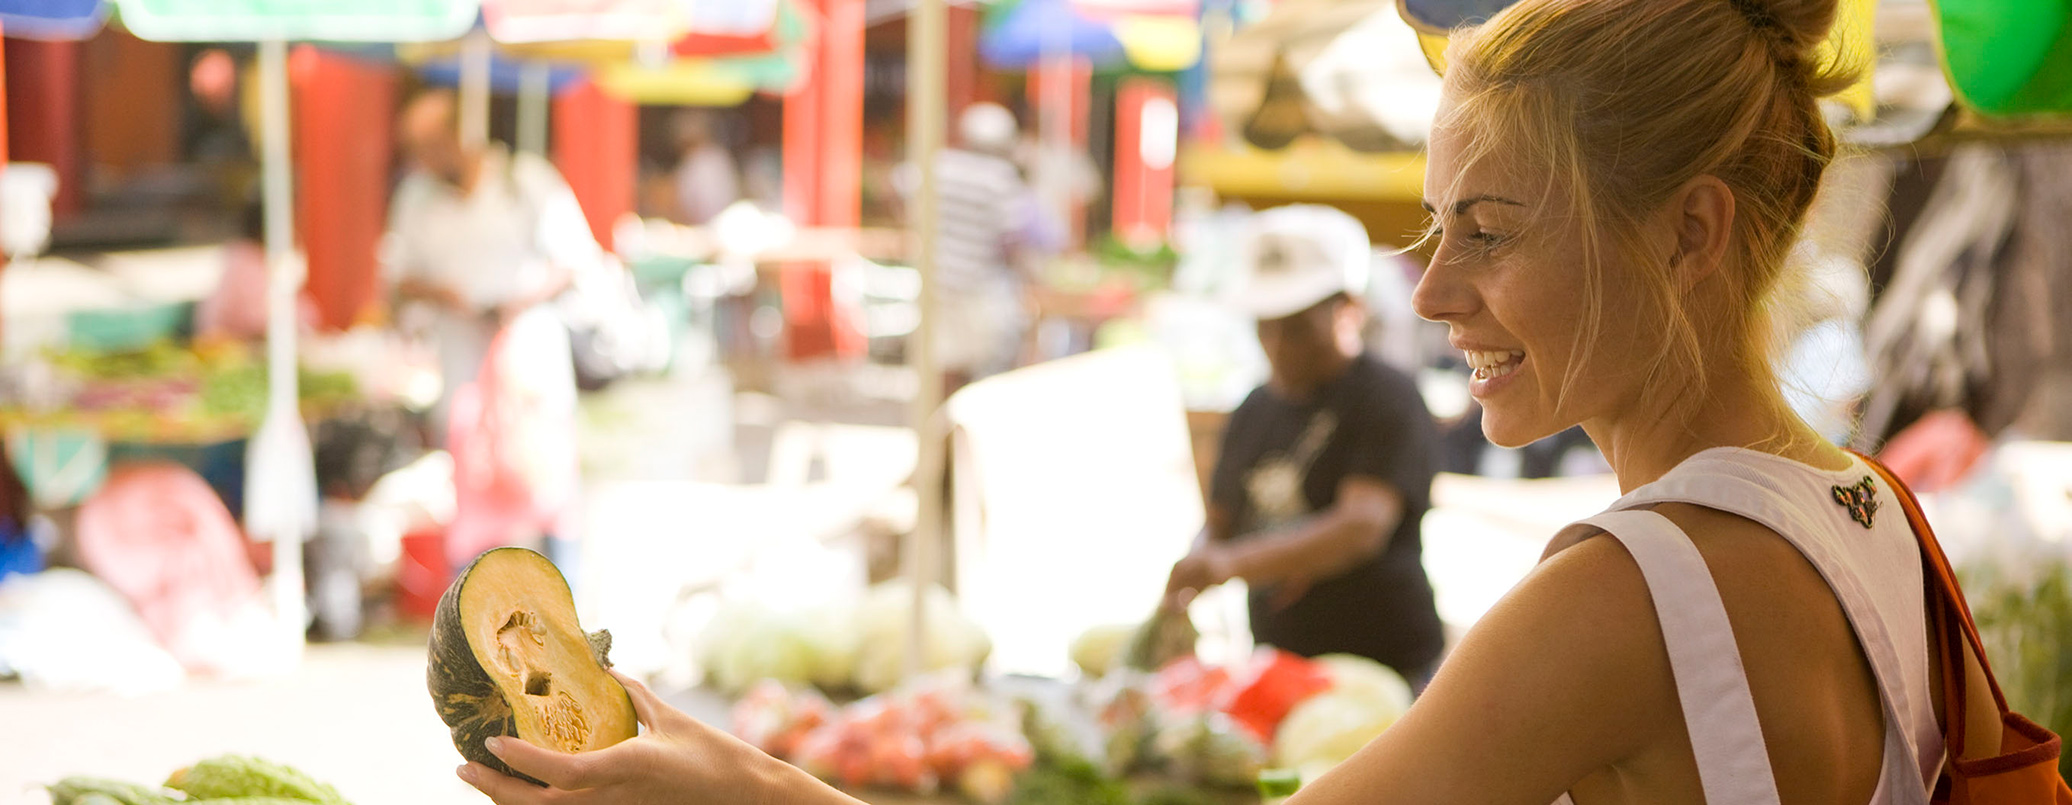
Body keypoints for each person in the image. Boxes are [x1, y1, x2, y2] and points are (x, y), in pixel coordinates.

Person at [458, 0, 2006, 801]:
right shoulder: (1857, 508)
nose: (1432, 292)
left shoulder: (1623, 593)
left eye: (1491, 228)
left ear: (1689, 226)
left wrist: (748, 791)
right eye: (1429, 227)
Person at [1161, 204, 1444, 690]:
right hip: (1280, 663)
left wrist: (1230, 564)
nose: (1277, 345)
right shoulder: (1253, 409)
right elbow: (1222, 519)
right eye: (1264, 326)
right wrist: (1196, 567)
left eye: (1296, 327)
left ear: (1349, 310)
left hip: (1383, 667)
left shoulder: (1385, 399)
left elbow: (1361, 527)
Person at [383, 89, 595, 439]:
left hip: (529, 361)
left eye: (433, 144)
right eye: (418, 149)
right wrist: (442, 294)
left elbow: (574, 260)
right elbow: (398, 276)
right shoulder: (414, 197)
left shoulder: (524, 178)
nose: (427, 158)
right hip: (458, 366)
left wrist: (515, 304)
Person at [924, 102, 1039, 392]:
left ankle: (939, 425)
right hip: (978, 283)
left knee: (943, 360)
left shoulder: (940, 164)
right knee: (983, 362)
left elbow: (898, 188)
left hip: (935, 275)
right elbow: (1013, 237)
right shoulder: (1001, 178)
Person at [669, 109, 740, 227]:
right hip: (724, 224)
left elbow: (683, 203)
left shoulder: (696, 162)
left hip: (705, 227)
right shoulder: (720, 157)